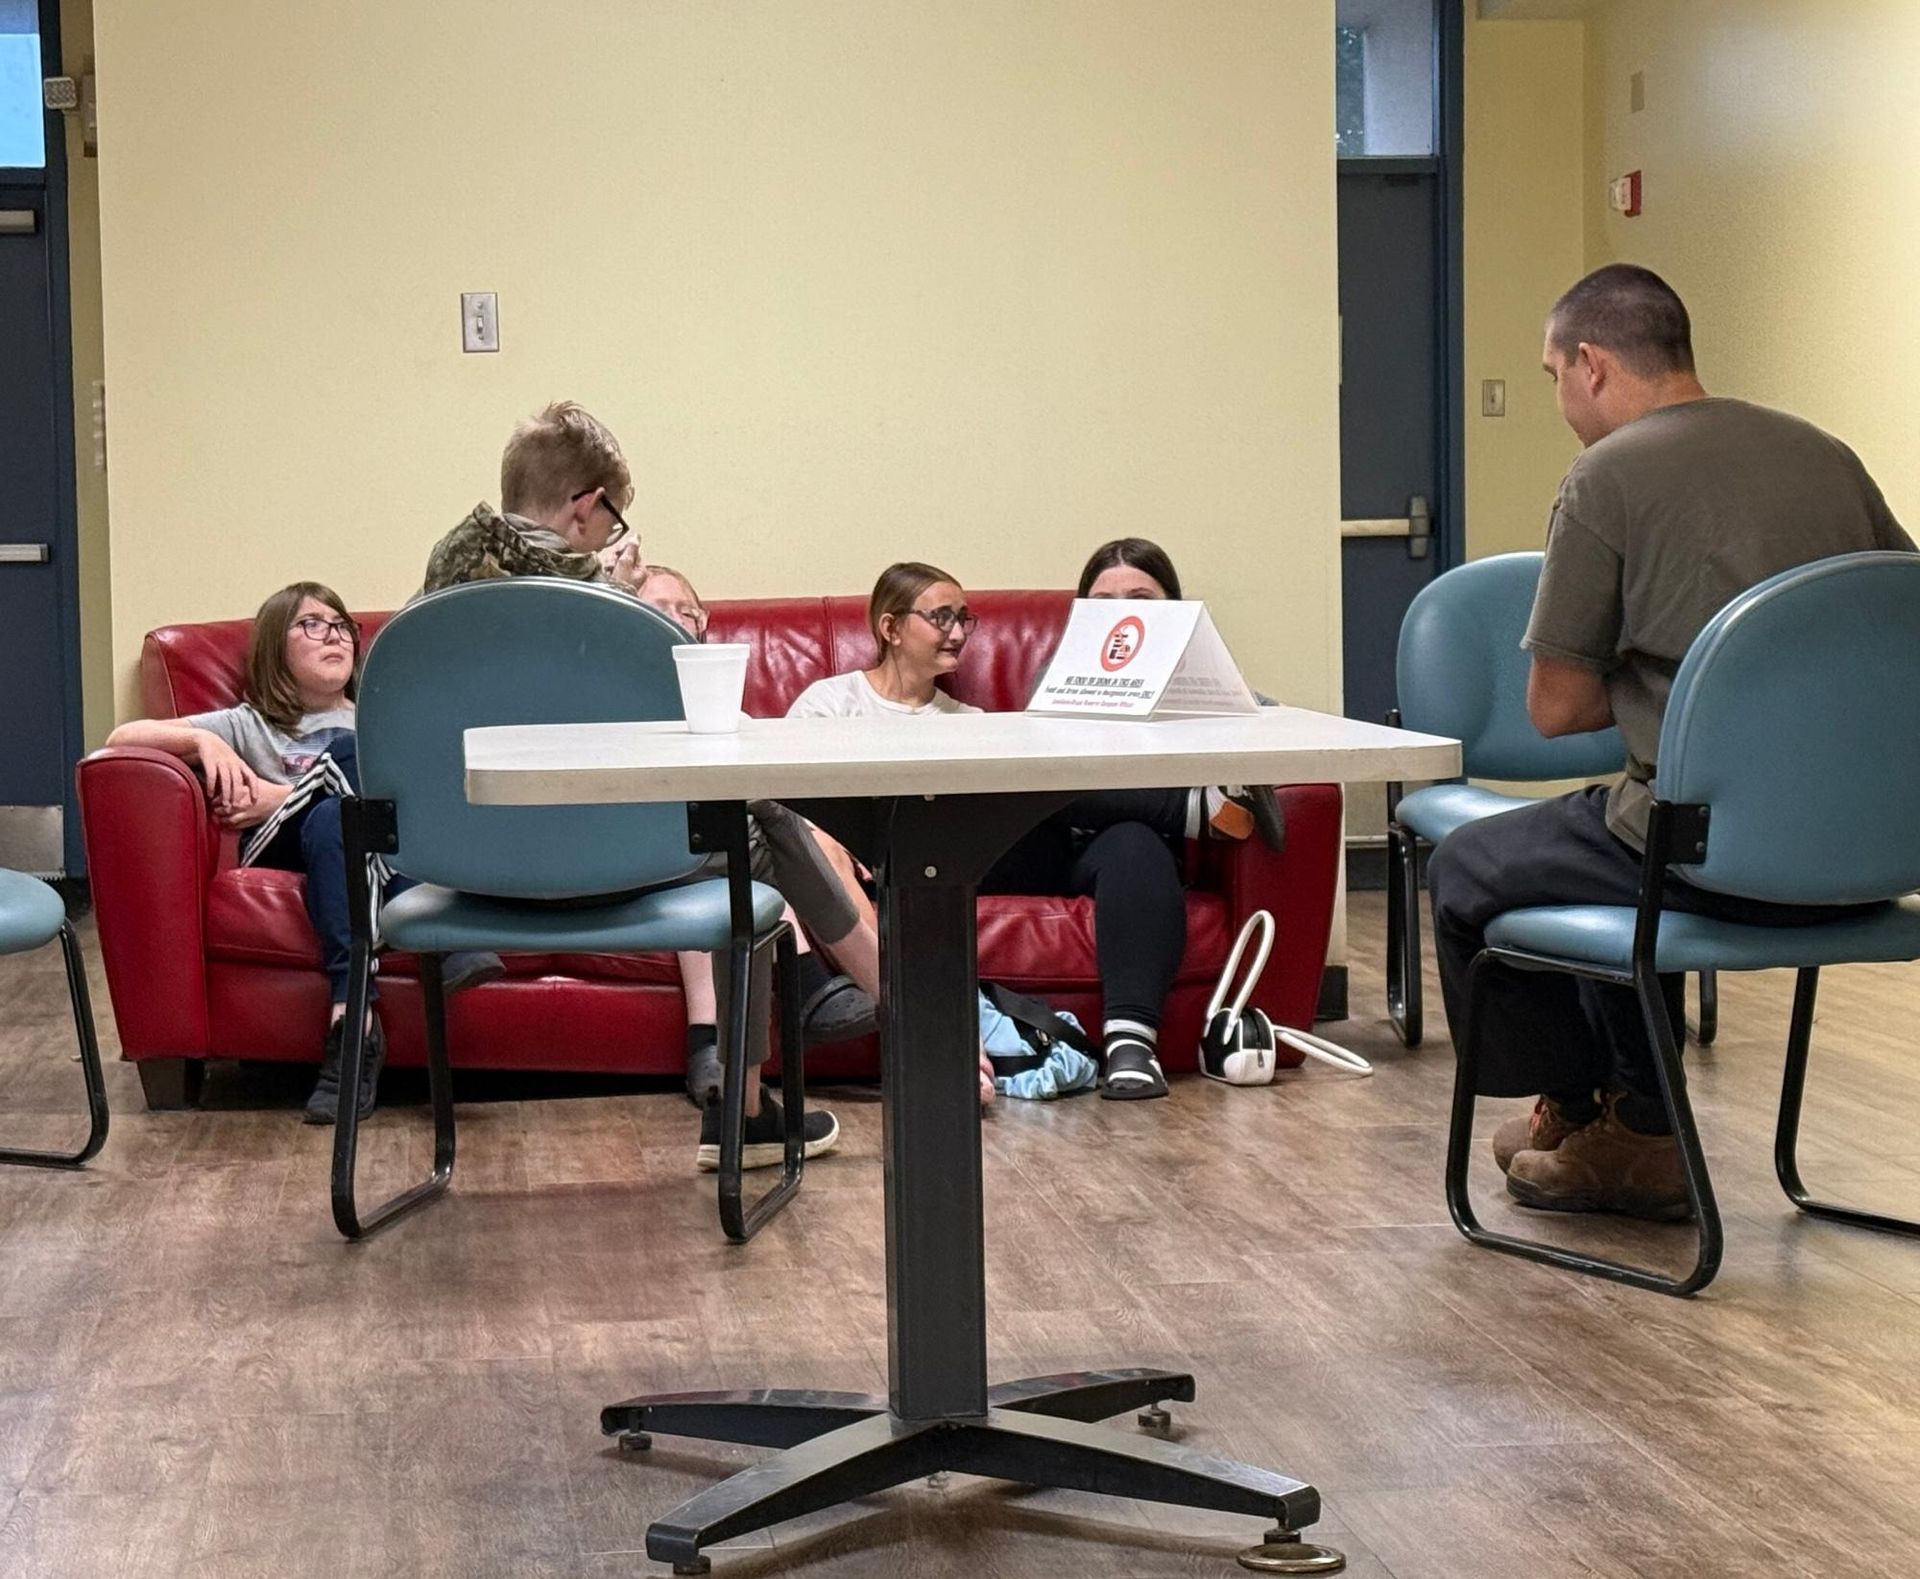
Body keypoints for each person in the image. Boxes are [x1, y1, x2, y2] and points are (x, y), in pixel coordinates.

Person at [1426, 263, 1915, 1221]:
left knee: (1472, 866)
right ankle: (1618, 1118)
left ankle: (1617, 1122)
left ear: (1593, 364)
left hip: (1711, 858)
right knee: (1605, 831)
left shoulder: (1606, 476)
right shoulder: (1825, 454)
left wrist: (1671, 685)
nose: (1560, 401)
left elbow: (1556, 708)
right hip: (1872, 860)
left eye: (1553, 377)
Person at [422, 407, 839, 1171]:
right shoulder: (608, 604)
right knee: (749, 840)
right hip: (590, 868)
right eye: (612, 516)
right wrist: (616, 592)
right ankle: (762, 1090)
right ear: (586, 507)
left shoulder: (442, 582)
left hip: (458, 864)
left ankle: (791, 1049)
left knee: (753, 826)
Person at [790, 557, 1277, 1103]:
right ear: (891, 627)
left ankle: (1132, 1046)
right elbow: (793, 805)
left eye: (964, 618)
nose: (958, 632)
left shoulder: (970, 722)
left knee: (1108, 827)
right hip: (882, 864)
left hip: (998, 851)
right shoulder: (830, 704)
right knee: (1039, 777)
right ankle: (1189, 809)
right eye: (942, 617)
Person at [106, 583, 502, 1124]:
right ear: (276, 646)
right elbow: (123, 736)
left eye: (341, 626)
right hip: (282, 846)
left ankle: (352, 1024)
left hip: (351, 851)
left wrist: (286, 793)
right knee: (347, 755)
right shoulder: (250, 723)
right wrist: (205, 742)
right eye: (312, 624)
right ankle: (439, 936)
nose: (334, 636)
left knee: (336, 815)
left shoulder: (379, 718)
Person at [634, 566, 884, 1141]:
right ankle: (882, 1000)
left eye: (687, 610)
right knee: (750, 836)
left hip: (704, 860)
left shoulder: (720, 710)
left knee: (749, 849)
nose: (675, 619)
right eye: (657, 609)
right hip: (630, 860)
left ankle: (741, 1113)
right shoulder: (617, 691)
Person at [422, 401, 646, 594]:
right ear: (585, 507)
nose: (603, 546)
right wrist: (620, 593)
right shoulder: (603, 601)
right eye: (612, 525)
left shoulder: (442, 571)